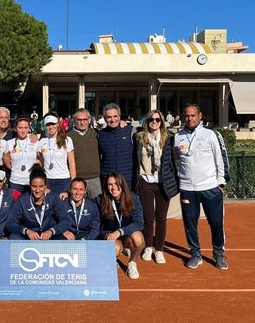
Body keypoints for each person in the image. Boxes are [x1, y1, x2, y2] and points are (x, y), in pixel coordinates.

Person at [162, 103, 229, 270]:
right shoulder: (177, 137)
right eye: (186, 115)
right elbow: (175, 159)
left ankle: (218, 253)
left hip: (210, 187)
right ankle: (195, 253)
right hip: (187, 188)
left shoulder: (211, 134)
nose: (189, 118)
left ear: (200, 116)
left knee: (216, 223)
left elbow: (221, 158)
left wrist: (221, 182)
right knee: (190, 223)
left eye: (193, 115)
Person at [135, 109, 171, 264]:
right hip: (145, 181)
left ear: (161, 122)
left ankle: (160, 249)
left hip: (164, 182)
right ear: (146, 122)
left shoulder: (168, 138)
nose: (154, 122)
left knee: (161, 218)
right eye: (151, 120)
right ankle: (148, 246)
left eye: (157, 120)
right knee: (148, 218)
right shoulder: (139, 138)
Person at [97, 172, 145, 279]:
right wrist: (106, 235)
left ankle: (132, 263)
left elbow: (139, 223)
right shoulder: (101, 200)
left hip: (126, 234)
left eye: (116, 184)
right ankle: (114, 256)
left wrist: (120, 231)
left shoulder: (133, 198)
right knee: (115, 247)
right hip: (110, 234)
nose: (113, 188)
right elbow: (98, 226)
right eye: (110, 184)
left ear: (122, 184)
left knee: (138, 238)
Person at [6, 165, 72, 240]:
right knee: (14, 237)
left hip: (49, 235)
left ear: (46, 186)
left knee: (63, 239)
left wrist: (52, 231)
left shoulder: (53, 198)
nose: (37, 190)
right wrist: (26, 231)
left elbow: (67, 220)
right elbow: (10, 223)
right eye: (34, 186)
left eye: (41, 186)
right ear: (30, 185)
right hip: (29, 235)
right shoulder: (22, 200)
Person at [37, 112, 76, 195]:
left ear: (58, 124)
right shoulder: (42, 141)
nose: (51, 127)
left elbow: (72, 163)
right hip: (48, 180)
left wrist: (73, 183)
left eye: (53, 124)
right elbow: (41, 162)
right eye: (48, 125)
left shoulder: (67, 140)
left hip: (63, 180)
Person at [98, 103, 136, 189]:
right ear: (104, 118)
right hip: (108, 180)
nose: (112, 120)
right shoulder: (100, 134)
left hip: (127, 179)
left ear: (119, 116)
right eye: (109, 117)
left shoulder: (130, 131)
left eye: (115, 116)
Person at [67, 108, 102, 198]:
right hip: (77, 180)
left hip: (94, 179)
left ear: (89, 120)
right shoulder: (68, 137)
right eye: (79, 120)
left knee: (96, 207)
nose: (82, 123)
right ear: (74, 121)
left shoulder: (96, 134)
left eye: (85, 119)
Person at [3, 116, 39, 194]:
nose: (23, 131)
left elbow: (41, 159)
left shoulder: (35, 142)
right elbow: (8, 163)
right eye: (20, 127)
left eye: (25, 128)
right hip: (15, 182)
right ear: (16, 128)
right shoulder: (9, 143)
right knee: (15, 205)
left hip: (31, 182)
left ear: (29, 128)